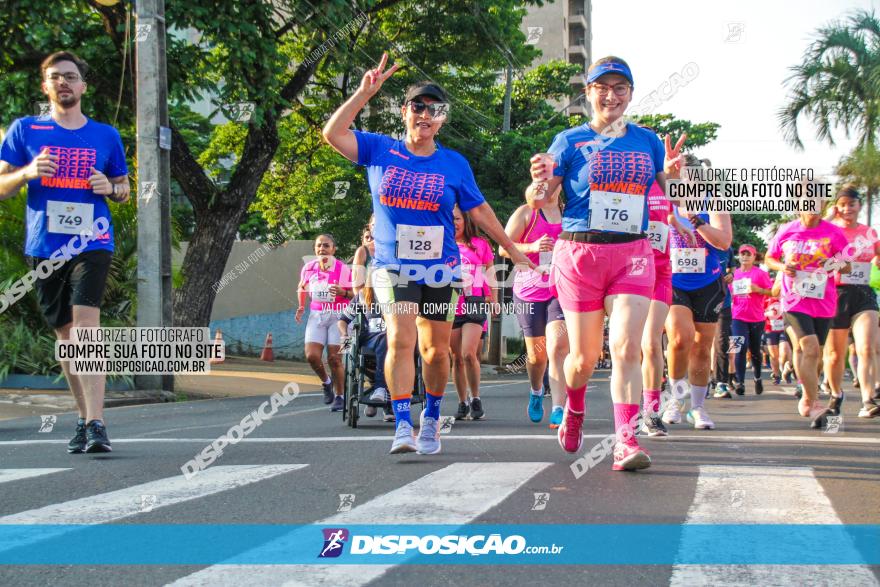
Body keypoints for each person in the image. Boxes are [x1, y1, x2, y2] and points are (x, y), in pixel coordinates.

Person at [322, 53, 534, 455]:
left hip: (441, 270)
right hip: (392, 267)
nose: (425, 114)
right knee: (401, 338)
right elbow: (333, 133)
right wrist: (363, 94)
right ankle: (403, 424)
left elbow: (480, 211)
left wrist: (512, 251)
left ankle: (432, 418)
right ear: (404, 112)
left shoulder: (454, 163)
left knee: (436, 351)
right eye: (418, 106)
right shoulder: (378, 150)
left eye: (434, 109)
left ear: (442, 119)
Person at [526, 56, 682, 471]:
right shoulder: (568, 140)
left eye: (620, 88)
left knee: (627, 346)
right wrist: (539, 180)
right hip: (580, 253)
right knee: (583, 358)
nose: (611, 95)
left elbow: (674, 194)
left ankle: (625, 441)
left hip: (633, 252)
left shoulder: (648, 141)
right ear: (589, 93)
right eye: (602, 87)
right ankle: (574, 408)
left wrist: (675, 174)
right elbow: (539, 199)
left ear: (630, 94)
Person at [0, 51, 130, 453]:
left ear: (82, 86)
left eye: (71, 77)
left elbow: (124, 188)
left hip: (93, 241)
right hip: (45, 246)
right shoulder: (25, 130)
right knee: (67, 338)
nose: (64, 83)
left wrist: (110, 188)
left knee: (86, 328)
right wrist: (27, 172)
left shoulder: (106, 135)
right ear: (46, 86)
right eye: (55, 77)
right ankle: (83, 417)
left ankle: (97, 423)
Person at [662, 155, 733, 430]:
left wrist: (696, 221)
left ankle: (698, 407)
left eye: (689, 176)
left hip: (708, 283)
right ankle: (676, 400)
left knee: (702, 347)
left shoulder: (713, 202)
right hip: (675, 281)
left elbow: (724, 241)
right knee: (680, 338)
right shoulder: (666, 201)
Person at [765, 209, 849, 428]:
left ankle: (806, 389)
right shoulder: (787, 230)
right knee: (808, 347)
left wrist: (829, 265)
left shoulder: (833, 232)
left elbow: (847, 264)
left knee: (815, 355)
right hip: (794, 299)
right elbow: (769, 258)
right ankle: (813, 402)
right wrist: (783, 267)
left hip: (823, 300)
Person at [501, 185, 568, 428]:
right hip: (528, 290)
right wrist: (532, 246)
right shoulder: (526, 213)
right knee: (536, 356)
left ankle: (559, 407)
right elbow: (503, 247)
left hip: (560, 289)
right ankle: (536, 390)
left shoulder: (570, 214)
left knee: (558, 347)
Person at [640, 179, 694, 436]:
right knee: (628, 347)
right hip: (629, 271)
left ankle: (650, 413)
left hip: (660, 272)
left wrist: (674, 222)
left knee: (651, 343)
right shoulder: (630, 181)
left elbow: (684, 203)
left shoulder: (666, 183)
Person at [824, 187, 880, 419]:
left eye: (852, 204)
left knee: (867, 347)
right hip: (835, 293)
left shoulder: (869, 233)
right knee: (836, 355)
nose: (848, 209)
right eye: (843, 204)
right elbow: (822, 263)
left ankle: (868, 399)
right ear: (837, 207)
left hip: (863, 293)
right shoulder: (829, 231)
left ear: (859, 206)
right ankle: (836, 394)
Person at [296, 234, 353, 411]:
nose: (322, 249)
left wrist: (343, 292)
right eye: (319, 246)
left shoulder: (342, 269)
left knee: (335, 359)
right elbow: (302, 287)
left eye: (326, 246)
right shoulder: (309, 268)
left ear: (333, 249)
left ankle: (340, 396)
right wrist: (301, 306)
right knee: (312, 356)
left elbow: (356, 295)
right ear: (315, 249)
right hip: (317, 315)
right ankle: (326, 382)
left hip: (339, 316)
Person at [450, 206, 495, 420]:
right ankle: (462, 401)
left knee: (469, 354)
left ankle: (475, 397)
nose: (454, 223)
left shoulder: (480, 245)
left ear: (465, 220)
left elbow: (491, 273)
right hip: (449, 304)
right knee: (456, 357)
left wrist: (493, 299)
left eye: (457, 219)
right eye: (450, 219)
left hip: (474, 302)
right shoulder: (441, 246)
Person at [337, 287, 394, 421]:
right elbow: (343, 319)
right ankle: (380, 389)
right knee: (384, 338)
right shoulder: (363, 295)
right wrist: (345, 335)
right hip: (370, 339)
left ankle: (380, 397)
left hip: (396, 340)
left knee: (388, 338)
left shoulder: (399, 292)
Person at [729, 244, 773, 395]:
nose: (745, 256)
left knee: (754, 350)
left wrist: (758, 290)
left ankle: (757, 377)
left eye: (749, 254)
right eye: (743, 254)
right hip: (737, 316)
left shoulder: (760, 274)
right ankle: (740, 382)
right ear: (739, 256)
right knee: (739, 347)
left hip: (756, 317)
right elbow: (729, 294)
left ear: (754, 257)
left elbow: (773, 292)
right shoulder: (734, 275)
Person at [351, 216, 376, 297]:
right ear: (369, 226)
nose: (369, 239)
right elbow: (357, 288)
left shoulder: (393, 248)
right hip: (370, 303)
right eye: (374, 225)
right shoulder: (362, 251)